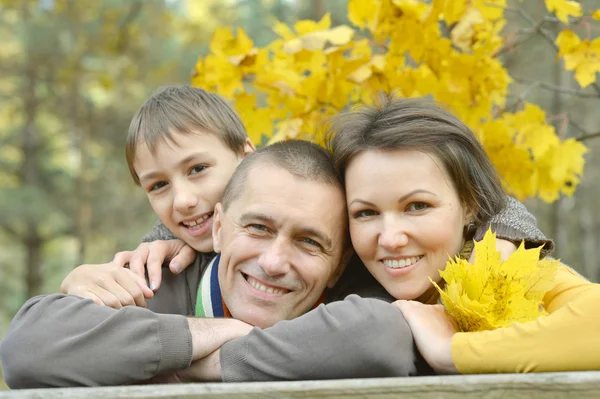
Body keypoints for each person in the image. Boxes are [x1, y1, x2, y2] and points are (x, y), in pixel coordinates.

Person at [0, 139, 419, 388]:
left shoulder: (354, 293)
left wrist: (212, 359)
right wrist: (208, 331)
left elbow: (381, 336)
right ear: (218, 227)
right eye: (257, 227)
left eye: (309, 241)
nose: (273, 262)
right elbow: (28, 346)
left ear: (340, 260)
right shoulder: (156, 281)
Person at [325, 95, 600, 374]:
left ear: (470, 205)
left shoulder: (506, 270)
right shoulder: (331, 276)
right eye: (366, 213)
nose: (390, 239)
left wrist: (450, 351)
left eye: (418, 206)